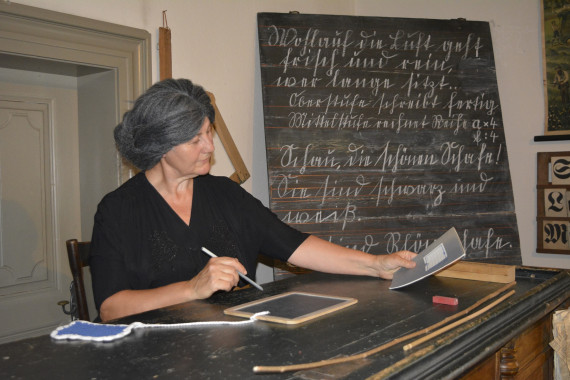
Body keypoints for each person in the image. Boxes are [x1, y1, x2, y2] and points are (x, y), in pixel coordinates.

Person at [89, 78, 417, 322]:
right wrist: (191, 289)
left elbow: (294, 245)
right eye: (194, 139)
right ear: (160, 147)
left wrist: (375, 265)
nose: (209, 146)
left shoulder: (226, 195)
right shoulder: (118, 211)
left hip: (237, 350)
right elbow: (110, 308)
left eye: (209, 132)